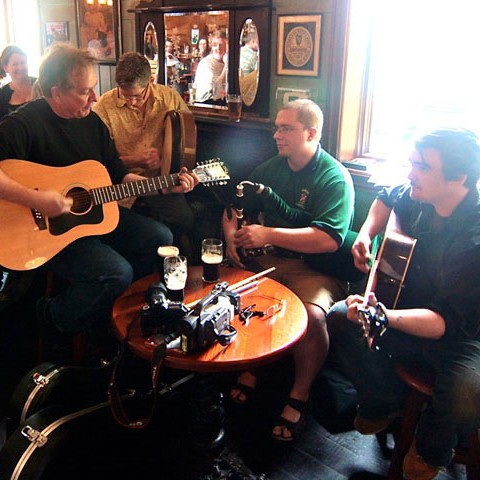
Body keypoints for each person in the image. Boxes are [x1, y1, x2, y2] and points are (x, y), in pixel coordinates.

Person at [0, 44, 198, 354]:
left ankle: (116, 317)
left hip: (92, 219)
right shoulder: (24, 123)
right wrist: (37, 200)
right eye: (84, 91)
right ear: (55, 92)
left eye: (94, 89)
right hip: (44, 234)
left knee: (160, 236)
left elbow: (121, 177)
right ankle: (50, 318)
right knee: (116, 272)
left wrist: (164, 187)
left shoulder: (92, 122)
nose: (95, 98)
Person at [325, 128, 480, 479]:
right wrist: (365, 235)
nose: (411, 174)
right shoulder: (419, 195)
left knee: (467, 393)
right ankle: (385, 403)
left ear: (460, 178)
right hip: (407, 317)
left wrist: (382, 315)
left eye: (422, 167)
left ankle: (430, 449)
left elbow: (443, 322)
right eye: (412, 164)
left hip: (461, 338)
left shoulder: (475, 236)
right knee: (338, 317)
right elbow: (385, 197)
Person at [223, 99, 355, 442]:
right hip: (269, 260)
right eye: (276, 127)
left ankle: (299, 392)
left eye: (286, 128)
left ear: (311, 133)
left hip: (314, 267)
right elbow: (235, 204)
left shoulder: (334, 176)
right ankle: (254, 365)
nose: (277, 135)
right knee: (239, 298)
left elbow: (327, 239)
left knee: (312, 317)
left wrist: (266, 233)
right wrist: (231, 238)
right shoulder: (271, 168)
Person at [93, 52, 195, 243]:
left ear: (151, 81)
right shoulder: (103, 108)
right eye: (125, 95)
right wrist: (135, 159)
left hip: (161, 181)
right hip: (121, 186)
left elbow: (187, 137)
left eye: (137, 96)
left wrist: (175, 162)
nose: (131, 101)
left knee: (183, 219)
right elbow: (98, 163)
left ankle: (166, 260)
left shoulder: (169, 98)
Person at [0, 45, 37, 120]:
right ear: (5, 68)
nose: (21, 67)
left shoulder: (40, 83)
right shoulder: (2, 95)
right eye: (15, 64)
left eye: (23, 63)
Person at [194, 30, 228, 105]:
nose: (218, 48)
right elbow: (216, 88)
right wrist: (226, 67)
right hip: (207, 104)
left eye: (221, 45)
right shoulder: (206, 64)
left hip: (222, 102)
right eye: (215, 45)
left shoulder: (226, 61)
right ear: (211, 46)